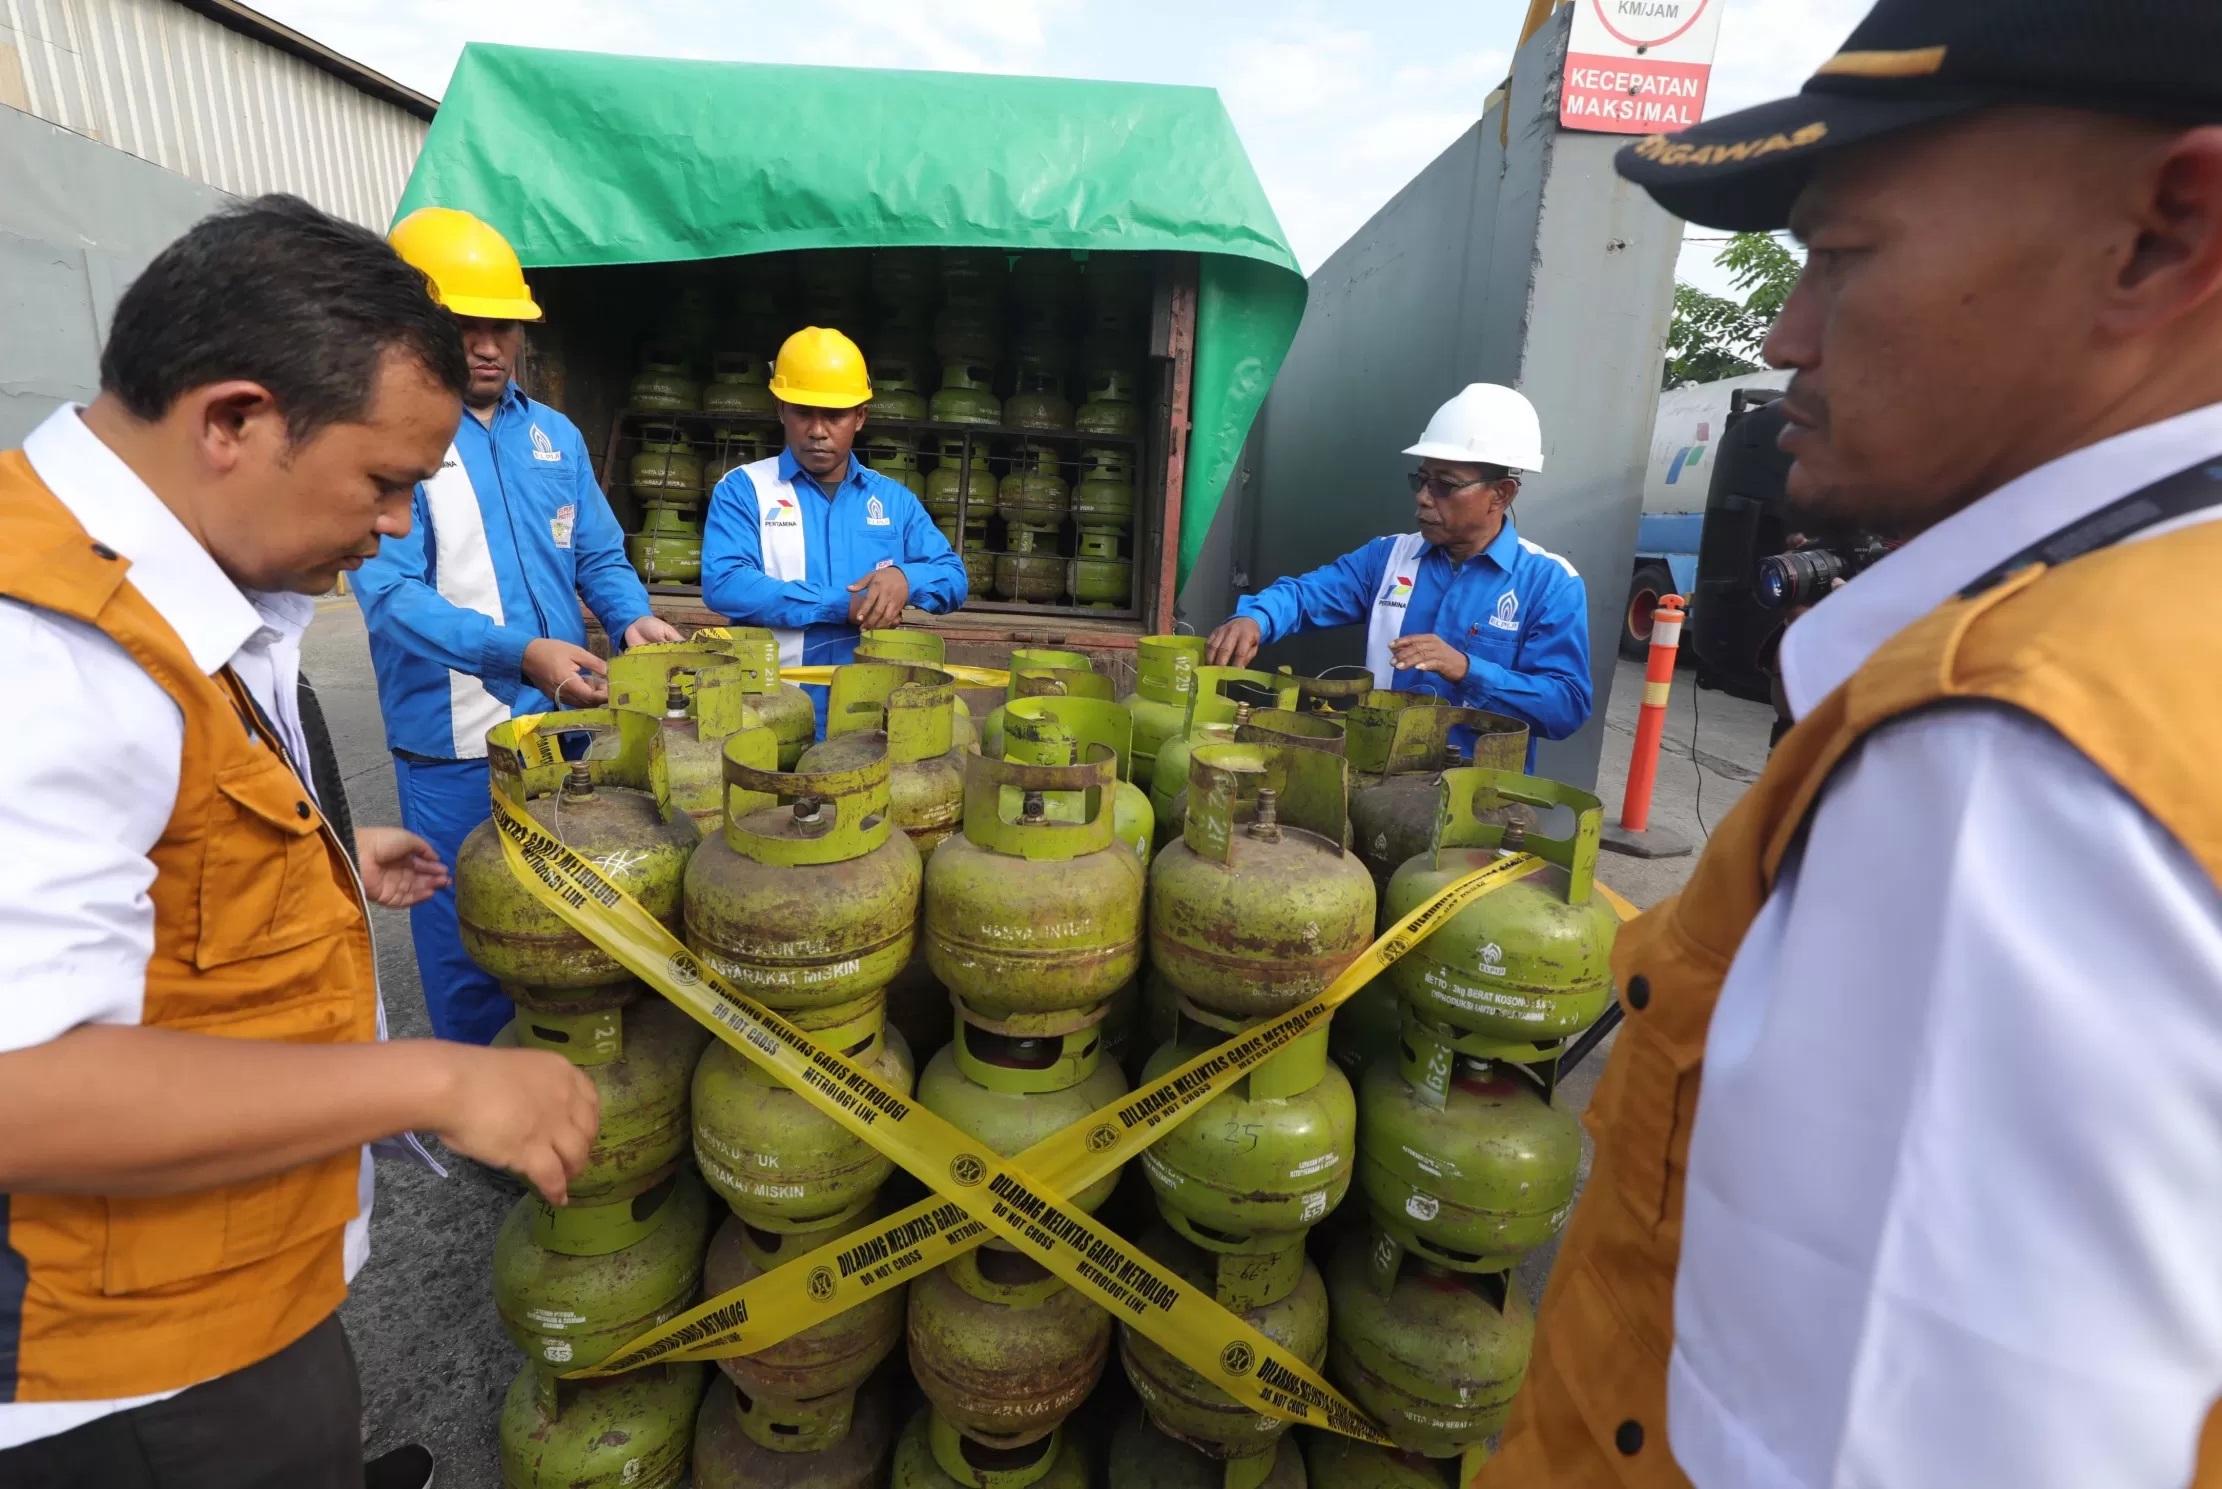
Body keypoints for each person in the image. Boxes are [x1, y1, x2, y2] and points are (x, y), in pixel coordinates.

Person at [1482, 2, 2222, 1486]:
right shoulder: (2153, 650)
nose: (1781, 332)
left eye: (1844, 254)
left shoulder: (2012, 760)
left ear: (2161, 234)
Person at [0, 195, 598, 1489]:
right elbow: (22, 1087)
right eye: (384, 484)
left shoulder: (167, 576)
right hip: (128, 1381)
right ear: (235, 421)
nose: (394, 528)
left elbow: (150, 811)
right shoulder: (39, 651)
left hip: (230, 1290)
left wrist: (315, 849)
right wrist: (437, 1081)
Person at [355, 207, 684, 1047]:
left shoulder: (555, 436)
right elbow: (391, 598)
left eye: (499, 324)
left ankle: (565, 1093)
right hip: (455, 747)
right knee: (470, 936)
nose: (487, 345)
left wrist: (633, 617)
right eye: (462, 325)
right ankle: (481, 1114)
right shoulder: (390, 439)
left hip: (565, 729)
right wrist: (519, 652)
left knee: (569, 927)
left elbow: (599, 555)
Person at [1204, 383, 1592, 761]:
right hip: (1377, 780)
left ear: (1501, 494)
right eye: (1421, 480)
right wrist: (1255, 618)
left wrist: (1469, 670)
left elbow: (1565, 707)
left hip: (1478, 799)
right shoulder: (1388, 559)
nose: (1423, 497)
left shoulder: (1550, 584)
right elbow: (1306, 596)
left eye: (1445, 485)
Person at [698, 324, 969, 718]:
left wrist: (906, 579)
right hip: (764, 710)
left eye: (835, 416)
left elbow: (953, 577)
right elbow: (725, 583)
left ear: (860, 416)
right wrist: (840, 604)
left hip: (868, 713)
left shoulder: (893, 500)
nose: (818, 431)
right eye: (803, 413)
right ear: (780, 410)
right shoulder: (745, 489)